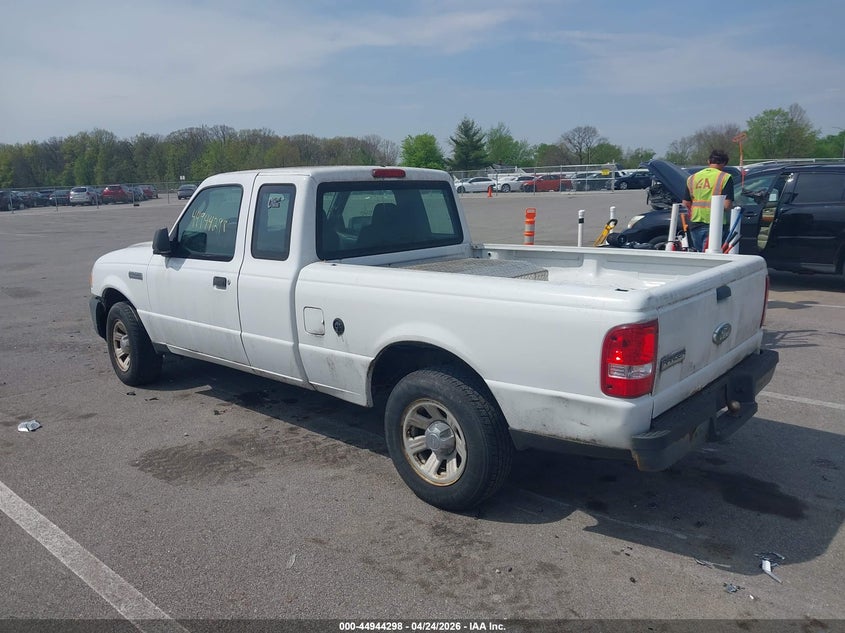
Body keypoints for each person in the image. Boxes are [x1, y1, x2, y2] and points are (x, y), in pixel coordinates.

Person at [682, 149, 734, 251]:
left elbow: (686, 203)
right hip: (715, 224)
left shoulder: (692, 178)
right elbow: (727, 205)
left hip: (695, 223)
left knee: (699, 256)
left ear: (708, 161)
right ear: (724, 163)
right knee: (711, 257)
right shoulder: (725, 177)